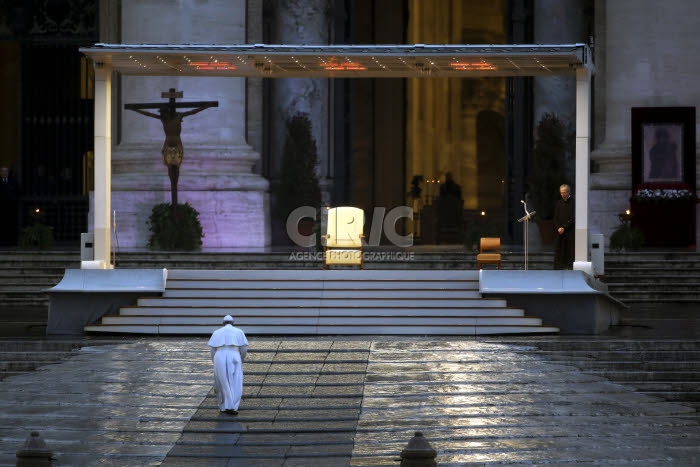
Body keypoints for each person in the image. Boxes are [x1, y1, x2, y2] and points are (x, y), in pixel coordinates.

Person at [208, 315, 249, 415]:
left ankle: (223, 406)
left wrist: (214, 361)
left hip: (219, 355)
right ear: (233, 322)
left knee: (221, 381)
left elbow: (212, 350)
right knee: (236, 380)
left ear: (223, 323)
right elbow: (244, 349)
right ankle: (233, 406)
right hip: (234, 354)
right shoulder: (239, 331)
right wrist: (241, 359)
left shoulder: (217, 332)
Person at [553, 184, 575, 270]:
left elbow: (573, 217)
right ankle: (559, 267)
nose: (563, 194)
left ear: (569, 192)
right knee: (559, 249)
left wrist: (564, 227)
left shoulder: (573, 202)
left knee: (569, 250)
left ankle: (569, 267)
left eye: (564, 192)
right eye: (561, 192)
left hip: (569, 231)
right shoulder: (559, 203)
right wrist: (559, 227)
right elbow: (556, 217)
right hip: (560, 231)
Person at [0, 165, 20, 246]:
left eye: (6, 171)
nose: (4, 173)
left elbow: (18, 191)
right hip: (1, 208)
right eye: (3, 171)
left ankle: (12, 242)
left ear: (8, 173)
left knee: (11, 225)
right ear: (0, 173)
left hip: (11, 207)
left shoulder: (13, 181)